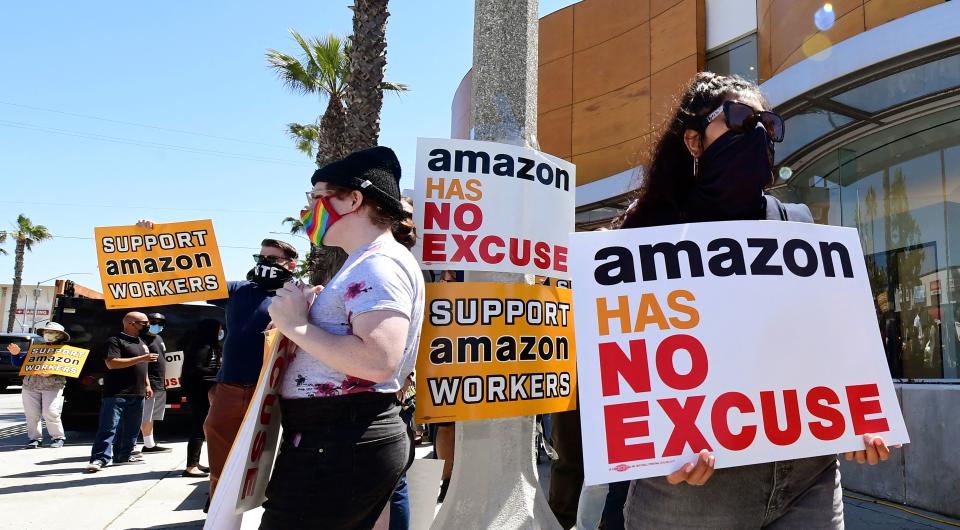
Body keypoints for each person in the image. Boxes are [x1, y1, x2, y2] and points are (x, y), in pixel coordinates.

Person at [616, 72, 896, 529]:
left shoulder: (800, 227)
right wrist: (652, 444)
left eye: (768, 123)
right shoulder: (648, 232)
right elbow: (626, 361)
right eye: (741, 119)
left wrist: (858, 415)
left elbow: (836, 342)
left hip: (809, 477)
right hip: (690, 491)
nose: (759, 131)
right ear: (693, 140)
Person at [263, 145, 424, 529]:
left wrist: (295, 324)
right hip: (335, 440)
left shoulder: (377, 264)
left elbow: (376, 361)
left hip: (338, 444)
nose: (308, 210)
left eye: (317, 197)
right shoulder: (369, 261)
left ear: (354, 199)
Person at [137, 220, 299, 500]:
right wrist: (152, 240)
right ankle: (219, 500)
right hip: (233, 386)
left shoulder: (299, 294)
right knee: (219, 439)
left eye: (272, 259)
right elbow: (184, 282)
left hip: (279, 389)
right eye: (260, 258)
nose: (264, 263)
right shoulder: (239, 290)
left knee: (279, 450)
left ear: (291, 264)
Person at [87, 312, 156, 472]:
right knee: (109, 427)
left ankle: (123, 455)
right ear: (131, 323)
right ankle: (99, 459)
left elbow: (143, 367)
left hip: (137, 392)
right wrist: (141, 359)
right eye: (144, 322)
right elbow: (112, 363)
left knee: (131, 428)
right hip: (117, 393)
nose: (147, 325)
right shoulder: (115, 340)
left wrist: (147, 384)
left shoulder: (141, 342)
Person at [6, 322, 70, 448]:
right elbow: (20, 363)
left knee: (50, 411)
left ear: (59, 335)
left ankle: (58, 437)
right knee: (31, 413)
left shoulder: (65, 351)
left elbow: (70, 369)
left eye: (51, 332)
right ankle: (34, 438)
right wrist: (15, 354)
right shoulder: (36, 348)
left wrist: (52, 372)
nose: (47, 334)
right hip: (30, 385)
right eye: (46, 332)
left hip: (53, 385)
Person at [181, 318, 222, 477]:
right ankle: (190, 466)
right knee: (199, 426)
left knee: (202, 426)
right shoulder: (202, 347)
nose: (220, 333)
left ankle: (195, 462)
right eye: (218, 329)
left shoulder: (209, 346)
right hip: (199, 390)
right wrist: (218, 373)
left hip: (204, 388)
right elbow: (197, 368)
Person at [139, 312, 171, 454]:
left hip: (159, 382)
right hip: (149, 382)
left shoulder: (159, 338)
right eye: (152, 322)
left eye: (159, 323)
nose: (156, 325)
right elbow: (141, 362)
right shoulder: (141, 339)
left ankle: (149, 444)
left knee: (153, 415)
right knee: (145, 415)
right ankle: (146, 444)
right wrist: (146, 384)